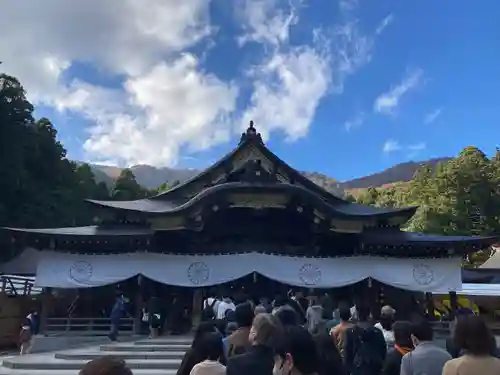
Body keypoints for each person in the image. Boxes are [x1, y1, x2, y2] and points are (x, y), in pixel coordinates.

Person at [344, 304, 386, 375]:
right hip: (374, 370)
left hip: (357, 369)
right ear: (369, 315)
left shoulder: (350, 332)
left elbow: (348, 354)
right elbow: (383, 352)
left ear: (357, 315)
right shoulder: (377, 332)